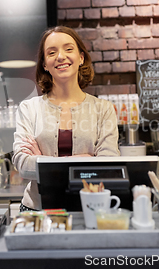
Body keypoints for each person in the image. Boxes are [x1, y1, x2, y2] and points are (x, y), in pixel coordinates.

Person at [12, 26, 120, 211]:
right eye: (51, 52)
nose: (60, 56)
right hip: (36, 210)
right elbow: (22, 164)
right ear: (45, 64)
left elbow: (107, 166)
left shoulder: (104, 109)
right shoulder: (29, 109)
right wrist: (85, 159)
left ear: (81, 57)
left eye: (68, 49)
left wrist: (42, 160)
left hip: (88, 209)